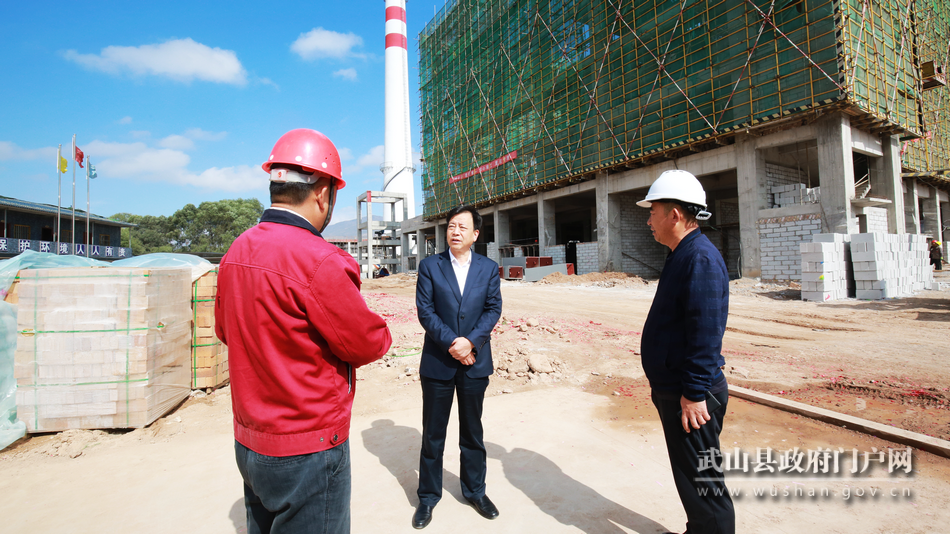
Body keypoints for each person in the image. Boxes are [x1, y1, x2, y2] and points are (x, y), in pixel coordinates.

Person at [214, 128, 392, 534]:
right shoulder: (320, 259)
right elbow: (366, 343)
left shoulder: (236, 251)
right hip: (307, 449)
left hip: (250, 442)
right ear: (323, 192)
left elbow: (226, 330)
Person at [637, 169, 735, 534]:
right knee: (693, 483)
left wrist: (693, 395)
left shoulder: (700, 260)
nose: (648, 220)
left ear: (674, 215)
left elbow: (706, 334)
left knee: (706, 488)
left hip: (691, 396)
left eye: (652, 211)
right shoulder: (682, 253)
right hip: (677, 390)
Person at [412, 205, 503, 529]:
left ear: (475, 234)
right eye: (452, 226)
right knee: (433, 435)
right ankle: (428, 497)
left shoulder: (488, 268)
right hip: (438, 361)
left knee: (472, 433)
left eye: (463, 227)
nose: (455, 231)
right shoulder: (430, 266)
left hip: (474, 363)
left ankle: (475, 491)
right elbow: (425, 311)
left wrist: (471, 343)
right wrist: (454, 343)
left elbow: (493, 309)